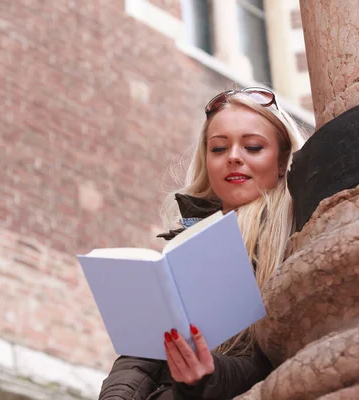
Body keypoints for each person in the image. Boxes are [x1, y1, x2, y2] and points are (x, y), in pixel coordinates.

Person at [98, 87, 308, 400]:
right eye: (219, 148)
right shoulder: (186, 238)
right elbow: (140, 356)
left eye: (252, 146)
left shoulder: (298, 236)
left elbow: (269, 360)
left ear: (282, 162)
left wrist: (206, 377)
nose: (234, 157)